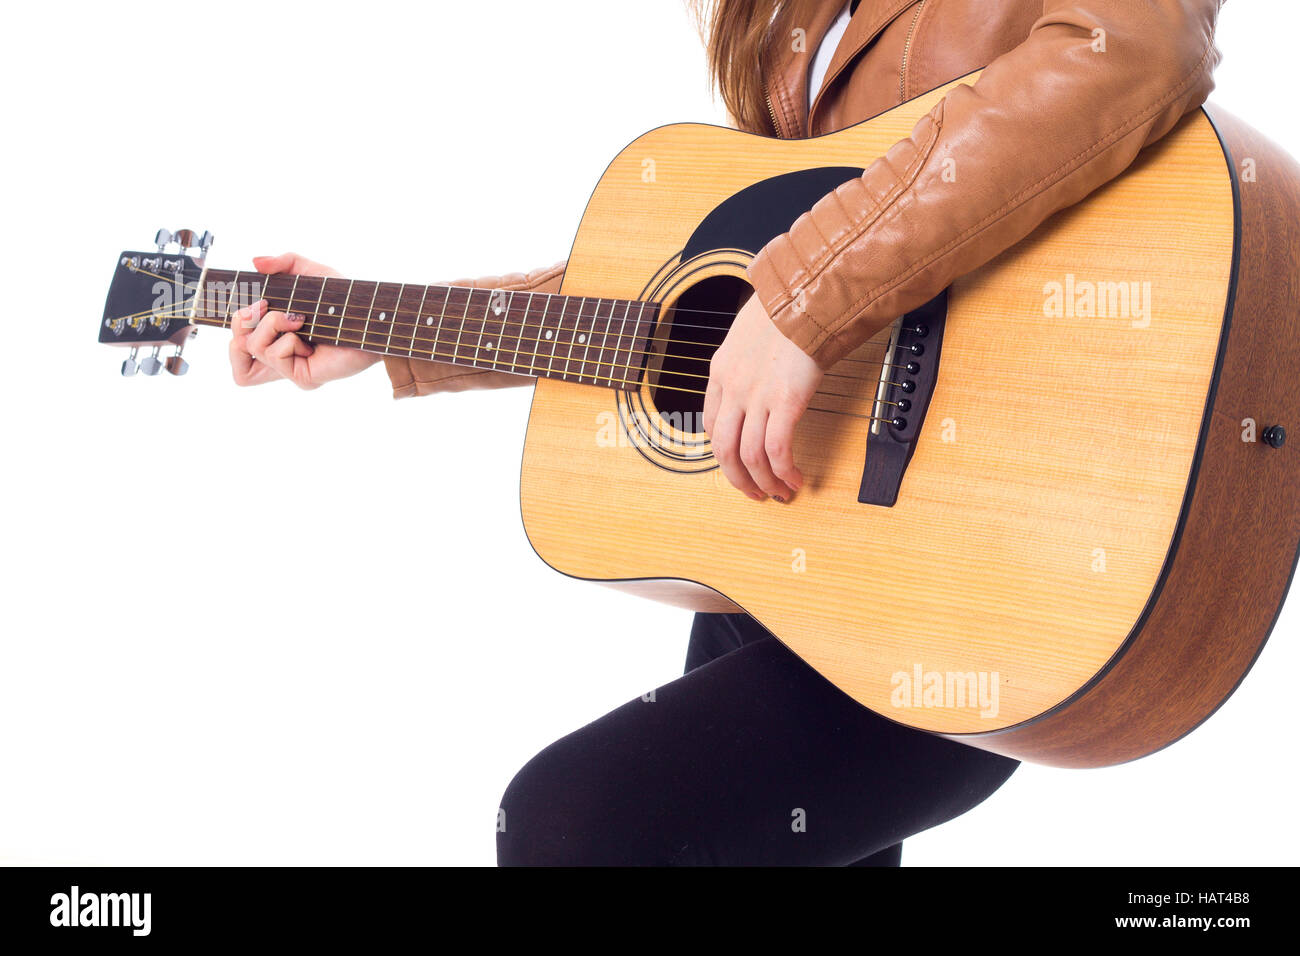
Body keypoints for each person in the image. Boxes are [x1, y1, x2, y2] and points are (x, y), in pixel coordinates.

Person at [227, 0, 1223, 865]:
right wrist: (374, 321)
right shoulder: (785, 24)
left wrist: (804, 306)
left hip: (981, 550)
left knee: (571, 825)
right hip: (805, 530)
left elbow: (1136, 41)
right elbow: (704, 297)